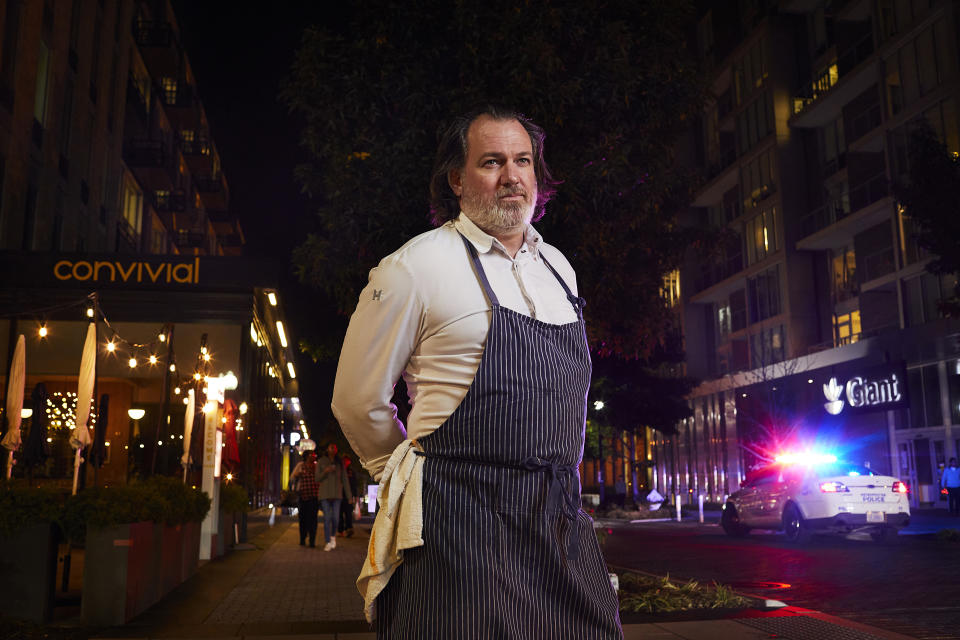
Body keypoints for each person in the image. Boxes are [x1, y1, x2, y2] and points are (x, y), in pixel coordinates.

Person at [332, 106, 622, 638]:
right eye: (491, 162)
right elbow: (356, 399)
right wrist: (403, 478)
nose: (511, 176)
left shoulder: (559, 268)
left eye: (523, 161)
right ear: (457, 179)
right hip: (457, 525)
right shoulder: (414, 267)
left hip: (557, 518)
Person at [317, 442, 352, 551]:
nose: (333, 449)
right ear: (327, 449)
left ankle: (333, 537)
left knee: (336, 518)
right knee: (327, 518)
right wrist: (325, 471)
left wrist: (349, 496)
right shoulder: (321, 461)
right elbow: (317, 478)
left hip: (337, 495)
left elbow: (345, 479)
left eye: (335, 447)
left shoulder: (340, 462)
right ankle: (327, 541)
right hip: (325, 494)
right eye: (331, 447)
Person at [289, 449, 320, 547]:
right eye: (310, 455)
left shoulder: (316, 466)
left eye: (313, 454)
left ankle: (312, 541)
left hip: (314, 496)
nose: (312, 456)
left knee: (313, 519)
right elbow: (292, 477)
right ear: (306, 456)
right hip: (303, 495)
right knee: (303, 518)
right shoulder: (300, 465)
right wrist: (298, 474)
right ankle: (302, 538)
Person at [338, 456, 358, 537]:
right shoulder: (339, 470)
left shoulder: (351, 471)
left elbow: (354, 484)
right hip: (339, 495)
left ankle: (349, 529)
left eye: (346, 461)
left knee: (348, 513)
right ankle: (340, 530)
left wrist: (355, 495)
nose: (345, 462)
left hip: (348, 496)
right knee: (339, 514)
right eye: (344, 461)